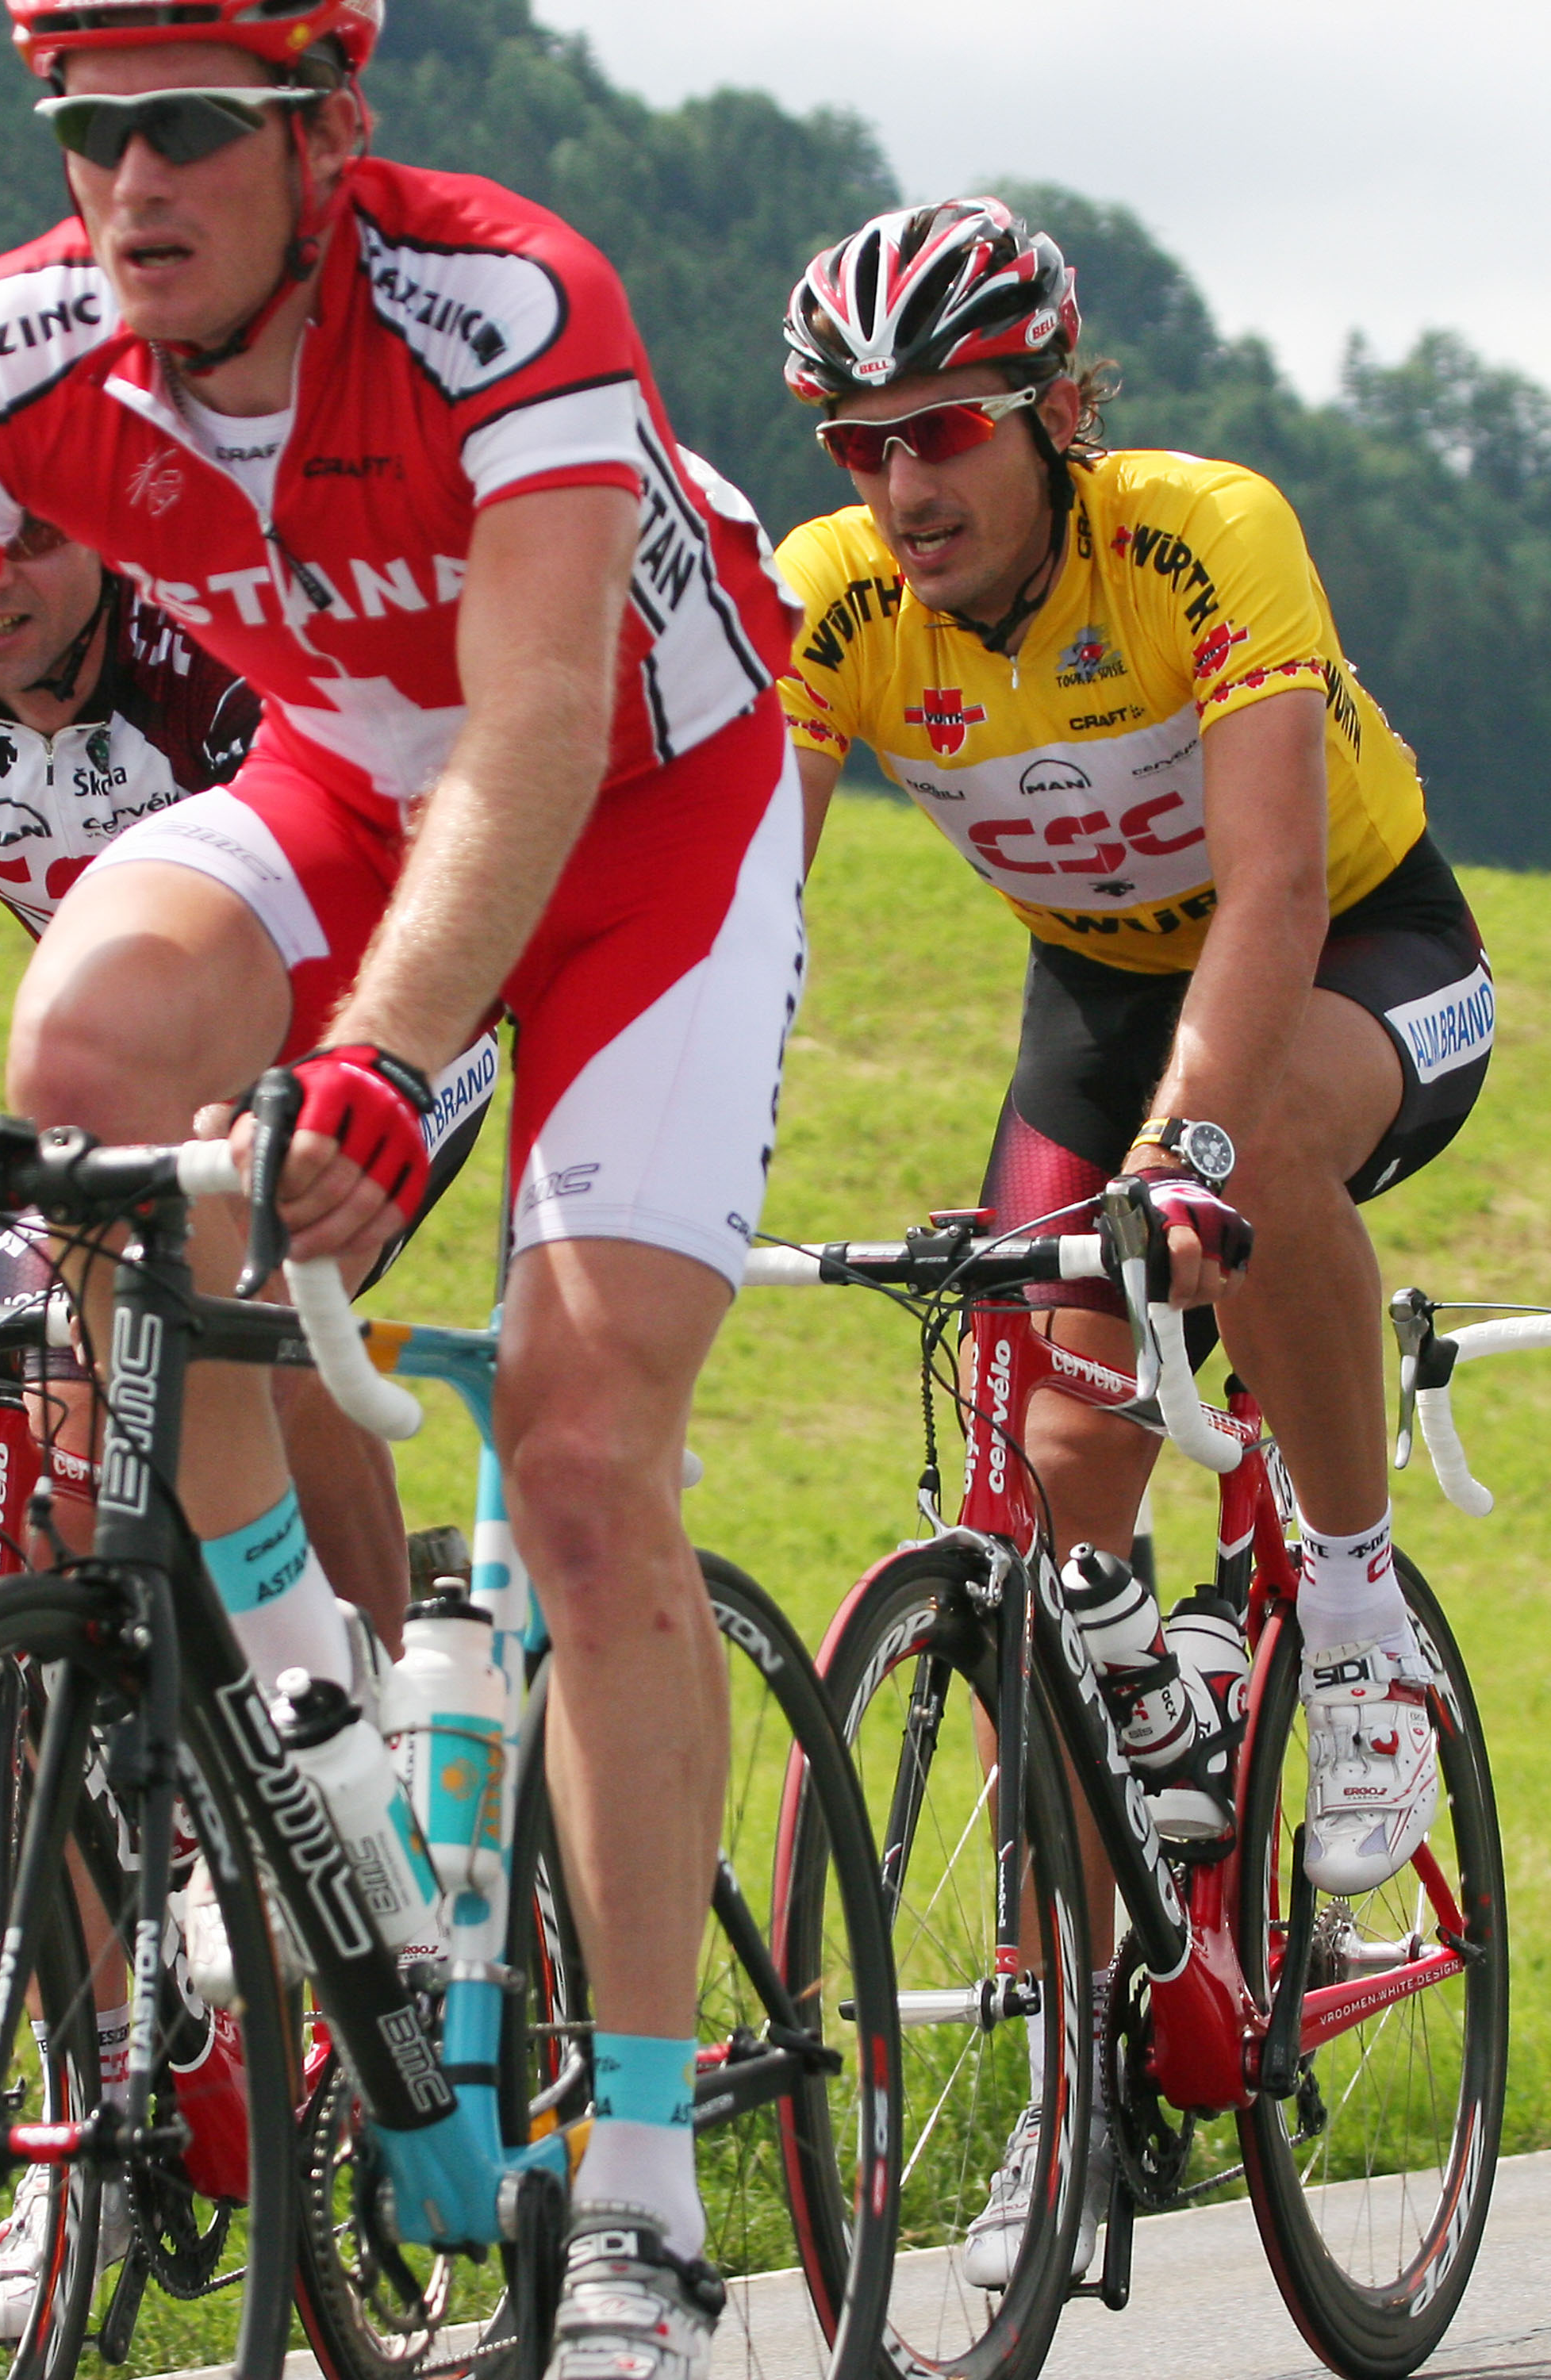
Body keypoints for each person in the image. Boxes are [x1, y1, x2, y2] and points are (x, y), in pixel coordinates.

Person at [0, 5, 802, 2372]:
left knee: (582, 1452)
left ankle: (640, 2186)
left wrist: (385, 1060)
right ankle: (313, 1706)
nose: (132, 182)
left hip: (648, 813)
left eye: (187, 129)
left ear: (329, 133)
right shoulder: (19, 347)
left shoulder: (501, 298)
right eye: (90, 134)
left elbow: (536, 722)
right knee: (87, 1079)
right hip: (350, 781)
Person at [776, 197, 1491, 2286]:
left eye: (944, 429)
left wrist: (1184, 1151)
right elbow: (748, 910)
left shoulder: (1199, 533)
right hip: (1097, 1004)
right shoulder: (832, 600)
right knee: (1048, 1492)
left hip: (1354, 954)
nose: (902, 484)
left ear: (1056, 413)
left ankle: (1348, 1625)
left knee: (1250, 1174)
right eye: (857, 443)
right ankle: (1086, 2060)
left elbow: (1274, 887)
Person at [0, 513, 473, 2344]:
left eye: (35, 537)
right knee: (17, 1525)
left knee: (253, 1311)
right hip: (126, 1093)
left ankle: (375, 1752)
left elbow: (389, 860)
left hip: (365, 1035)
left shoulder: (208, 663)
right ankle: (104, 2103)